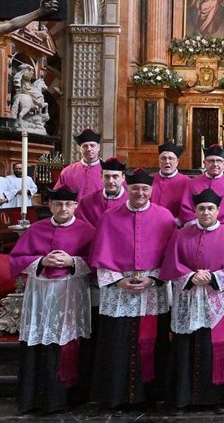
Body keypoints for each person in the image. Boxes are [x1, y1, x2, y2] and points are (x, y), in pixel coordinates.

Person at [89, 168, 177, 409]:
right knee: (118, 342)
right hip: (119, 290)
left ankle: (150, 394)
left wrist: (153, 278)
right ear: (127, 188)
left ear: (152, 190)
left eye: (145, 189)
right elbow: (100, 255)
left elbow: (172, 256)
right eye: (136, 188)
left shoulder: (165, 217)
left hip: (152, 289)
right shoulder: (109, 217)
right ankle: (116, 395)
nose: (140, 192)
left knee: (149, 342)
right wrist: (118, 280)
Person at [9, 188, 94, 413]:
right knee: (39, 337)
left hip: (70, 291)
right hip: (39, 292)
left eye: (68, 204)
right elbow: (16, 259)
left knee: (68, 338)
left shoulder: (87, 230)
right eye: (58, 204)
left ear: (76, 206)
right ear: (50, 206)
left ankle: (67, 397)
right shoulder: (36, 229)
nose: (63, 209)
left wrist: (72, 261)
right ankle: (34, 396)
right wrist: (42, 261)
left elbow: (95, 262)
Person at [160, 188, 224, 413]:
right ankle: (182, 397)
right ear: (195, 210)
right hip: (188, 297)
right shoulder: (181, 233)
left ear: (218, 210)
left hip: (217, 299)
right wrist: (191, 276)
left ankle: (217, 398)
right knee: (185, 346)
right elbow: (171, 263)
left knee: (217, 348)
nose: (206, 212)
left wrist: (214, 277)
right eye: (201, 208)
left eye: (210, 208)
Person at [179, 144, 224, 237]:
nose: (215, 164)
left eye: (219, 161)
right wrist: (202, 225)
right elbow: (186, 210)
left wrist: (221, 229)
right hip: (197, 231)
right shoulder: (193, 183)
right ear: (204, 163)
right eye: (211, 161)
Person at [74, 157, 127, 227]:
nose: (111, 181)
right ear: (101, 177)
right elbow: (82, 228)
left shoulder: (131, 201)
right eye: (107, 177)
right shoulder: (86, 202)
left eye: (115, 176)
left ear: (123, 178)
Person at [54, 129, 103, 201]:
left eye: (92, 145)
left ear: (98, 147)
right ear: (79, 149)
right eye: (85, 146)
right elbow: (57, 197)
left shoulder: (109, 171)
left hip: (100, 212)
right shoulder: (67, 172)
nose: (89, 149)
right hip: (75, 212)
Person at [151, 142, 190, 225]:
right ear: (159, 160)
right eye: (163, 158)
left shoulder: (187, 182)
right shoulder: (150, 179)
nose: (167, 161)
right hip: (151, 224)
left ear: (177, 162)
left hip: (176, 227)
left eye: (170, 158)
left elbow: (189, 209)